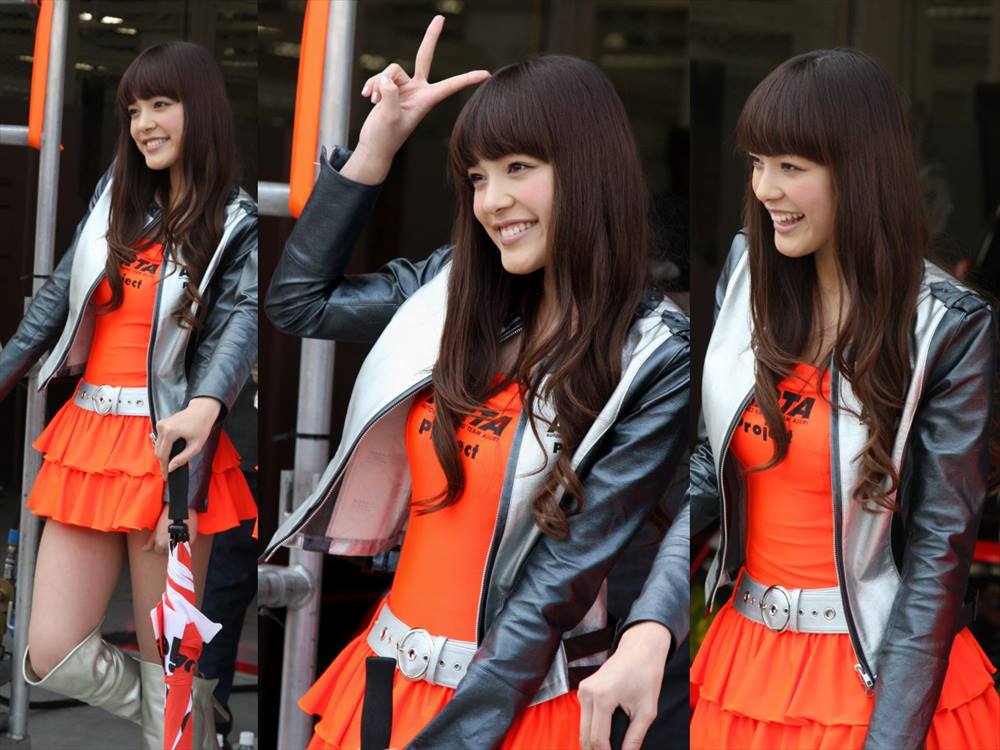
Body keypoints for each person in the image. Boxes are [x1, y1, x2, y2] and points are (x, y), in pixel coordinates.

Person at [263, 15, 689, 750]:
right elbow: (298, 302)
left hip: (518, 707)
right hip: (389, 679)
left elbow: (558, 582)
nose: (490, 201)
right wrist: (376, 146)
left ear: (589, 170)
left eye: (519, 167)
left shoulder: (653, 354)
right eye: (477, 177)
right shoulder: (452, 291)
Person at [689, 48, 999, 749]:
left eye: (790, 167)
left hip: (879, 678)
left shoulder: (946, 325)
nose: (765, 188)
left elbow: (938, 555)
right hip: (745, 669)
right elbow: (710, 464)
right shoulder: (747, 276)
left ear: (860, 171)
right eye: (757, 162)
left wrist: (891, 738)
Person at [0, 41, 257, 750]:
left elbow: (240, 326)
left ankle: (183, 721)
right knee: (50, 650)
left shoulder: (235, 221)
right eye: (134, 109)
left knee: (168, 662)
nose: (143, 123)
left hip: (167, 445)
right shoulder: (117, 197)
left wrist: (206, 409)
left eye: (161, 104)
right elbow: (56, 300)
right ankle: (192, 720)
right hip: (88, 439)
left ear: (199, 109)